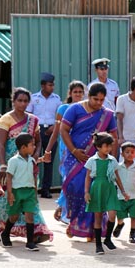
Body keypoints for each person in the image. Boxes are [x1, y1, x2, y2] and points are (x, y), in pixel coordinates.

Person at [59, 83, 118, 240]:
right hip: (75, 158)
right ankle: (75, 223)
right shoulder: (75, 109)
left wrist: (112, 160)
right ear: (88, 96)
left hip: (98, 160)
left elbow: (114, 138)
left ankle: (92, 229)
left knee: (95, 193)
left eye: (101, 100)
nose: (98, 103)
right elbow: (63, 130)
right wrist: (74, 151)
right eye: (95, 99)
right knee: (75, 189)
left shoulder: (107, 115)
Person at [0, 88, 53, 243]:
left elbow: (38, 141)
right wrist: (3, 165)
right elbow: (1, 145)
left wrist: (35, 156)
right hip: (10, 165)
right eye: (19, 100)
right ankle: (5, 229)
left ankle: (34, 232)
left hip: (28, 166)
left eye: (25, 101)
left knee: (30, 197)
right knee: (9, 199)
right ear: (13, 101)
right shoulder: (5, 119)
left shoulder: (33, 120)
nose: (22, 104)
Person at [45, 81, 86, 224]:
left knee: (79, 180)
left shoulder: (87, 109)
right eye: (75, 92)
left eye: (80, 92)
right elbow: (56, 132)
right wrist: (48, 150)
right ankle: (65, 212)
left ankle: (68, 210)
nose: (78, 94)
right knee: (68, 179)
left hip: (82, 148)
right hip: (67, 149)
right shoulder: (63, 109)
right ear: (70, 93)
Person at [84, 132, 129, 255]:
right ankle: (98, 244)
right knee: (98, 217)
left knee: (112, 214)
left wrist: (123, 191)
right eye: (106, 146)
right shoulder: (92, 160)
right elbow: (88, 177)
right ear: (98, 147)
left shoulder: (112, 160)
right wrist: (86, 192)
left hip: (110, 188)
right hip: (97, 188)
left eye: (110, 146)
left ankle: (108, 238)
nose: (108, 148)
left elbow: (116, 176)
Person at [2, 133, 42, 251]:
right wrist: (10, 193)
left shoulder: (32, 160)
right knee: (14, 216)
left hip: (29, 191)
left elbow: (34, 176)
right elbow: (9, 177)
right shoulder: (13, 161)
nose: (34, 147)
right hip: (16, 191)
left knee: (29, 216)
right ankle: (5, 233)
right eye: (32, 145)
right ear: (23, 147)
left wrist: (35, 191)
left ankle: (30, 242)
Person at [27, 72, 62, 199]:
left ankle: (46, 190)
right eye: (49, 85)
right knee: (34, 160)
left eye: (53, 85)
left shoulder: (56, 99)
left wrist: (54, 127)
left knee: (48, 161)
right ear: (43, 85)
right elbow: (29, 115)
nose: (52, 87)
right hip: (37, 131)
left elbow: (60, 116)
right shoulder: (33, 98)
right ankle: (32, 188)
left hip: (51, 131)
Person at [111, 142, 135, 244]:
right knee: (120, 215)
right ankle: (120, 224)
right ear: (122, 154)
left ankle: (132, 233)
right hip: (121, 197)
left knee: (134, 216)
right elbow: (114, 180)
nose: (130, 154)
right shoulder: (118, 167)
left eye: (132, 152)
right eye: (127, 152)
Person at [115, 76, 135, 166]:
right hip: (126, 139)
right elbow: (119, 119)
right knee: (123, 166)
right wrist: (120, 137)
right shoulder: (122, 99)